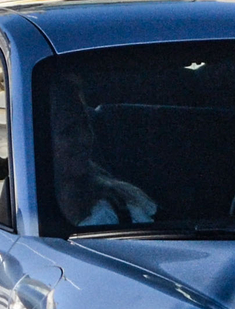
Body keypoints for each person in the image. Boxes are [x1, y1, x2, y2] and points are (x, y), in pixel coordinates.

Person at [46, 84, 155, 226]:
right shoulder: (20, 201)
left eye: (86, 124)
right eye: (68, 131)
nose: (85, 138)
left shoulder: (122, 204)